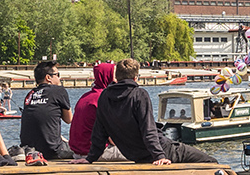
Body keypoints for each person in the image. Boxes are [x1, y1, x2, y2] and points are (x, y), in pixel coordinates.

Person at [83, 59, 216, 166]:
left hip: (135, 155)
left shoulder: (104, 96)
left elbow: (99, 132)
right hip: (160, 150)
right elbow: (148, 129)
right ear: (136, 77)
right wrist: (159, 155)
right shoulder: (139, 94)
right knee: (211, 162)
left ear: (117, 77)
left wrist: (90, 158)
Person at [20, 60, 74, 161]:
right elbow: (69, 119)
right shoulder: (59, 90)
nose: (59, 78)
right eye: (57, 75)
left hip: (29, 150)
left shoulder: (30, 94)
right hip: (52, 150)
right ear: (48, 77)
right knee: (81, 148)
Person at [69, 62, 116, 157]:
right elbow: (113, 138)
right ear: (108, 76)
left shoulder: (85, 96)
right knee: (139, 152)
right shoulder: (105, 98)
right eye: (115, 75)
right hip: (96, 152)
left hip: (78, 152)